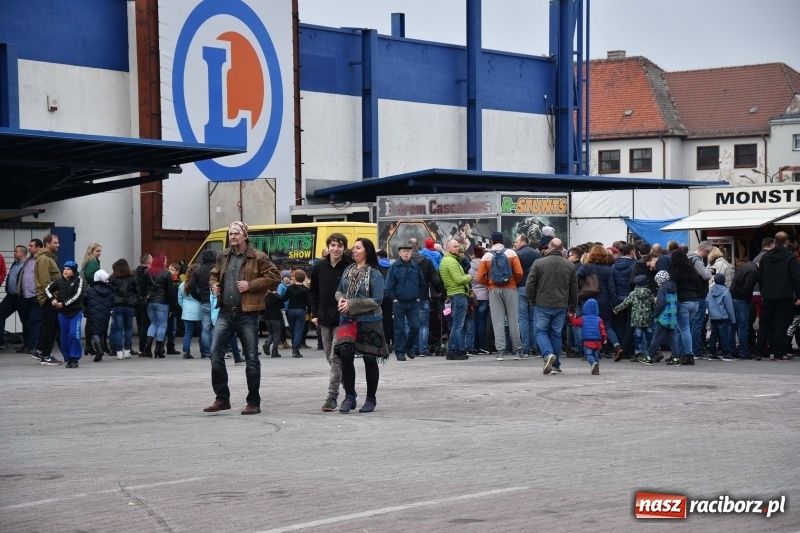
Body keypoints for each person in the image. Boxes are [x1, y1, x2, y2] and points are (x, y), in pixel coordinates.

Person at [204, 221, 280, 415]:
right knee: (215, 354)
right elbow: (213, 275)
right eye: (231, 234)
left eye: (237, 233)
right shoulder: (223, 256)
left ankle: (253, 402)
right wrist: (214, 285)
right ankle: (222, 399)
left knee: (251, 358)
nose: (233, 237)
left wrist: (251, 284)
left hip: (248, 314)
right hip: (225, 312)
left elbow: (275, 276)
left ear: (245, 236)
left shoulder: (258, 256)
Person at [333, 237, 389, 413]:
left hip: (369, 320)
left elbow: (378, 300)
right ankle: (349, 397)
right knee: (345, 353)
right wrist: (341, 299)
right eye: (354, 248)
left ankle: (371, 399)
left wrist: (352, 303)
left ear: (367, 251)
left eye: (358, 248)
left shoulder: (374, 273)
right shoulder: (348, 270)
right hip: (348, 319)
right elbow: (339, 290)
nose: (354, 250)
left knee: (370, 358)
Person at [310, 232, 352, 412]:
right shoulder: (319, 267)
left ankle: (332, 397)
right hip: (324, 318)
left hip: (343, 319)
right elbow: (313, 292)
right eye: (333, 245)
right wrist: (313, 313)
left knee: (336, 357)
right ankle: (350, 391)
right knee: (330, 357)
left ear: (344, 248)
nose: (336, 249)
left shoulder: (350, 267)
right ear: (328, 247)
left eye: (339, 246)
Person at [526, 238, 578, 375]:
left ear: (549, 247)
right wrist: (573, 306)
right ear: (562, 249)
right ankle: (555, 365)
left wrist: (531, 298)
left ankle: (548, 355)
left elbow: (530, 284)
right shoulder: (569, 265)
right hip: (561, 304)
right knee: (556, 334)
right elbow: (574, 288)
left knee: (541, 331)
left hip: (542, 302)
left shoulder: (538, 263)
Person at [478, 231, 524, 360]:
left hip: (494, 290)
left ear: (492, 241)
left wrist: (490, 284)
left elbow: (480, 277)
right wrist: (513, 282)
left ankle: (500, 352)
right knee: (513, 320)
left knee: (497, 321)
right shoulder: (511, 253)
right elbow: (519, 272)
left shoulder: (486, 256)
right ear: (503, 240)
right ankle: (518, 351)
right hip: (510, 288)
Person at [756, 232, 800, 361]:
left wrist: (764, 292)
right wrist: (798, 295)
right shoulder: (790, 258)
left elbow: (761, 276)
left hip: (768, 295)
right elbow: (796, 277)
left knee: (765, 322)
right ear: (786, 242)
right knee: (782, 324)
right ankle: (778, 352)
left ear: (774, 241)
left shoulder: (766, 257)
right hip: (784, 295)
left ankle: (759, 351)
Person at [577, 245, 622, 361]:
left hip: (588, 300)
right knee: (606, 326)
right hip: (604, 301)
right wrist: (615, 304)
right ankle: (617, 346)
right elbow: (612, 289)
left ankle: (588, 352)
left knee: (588, 326)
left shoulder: (586, 267)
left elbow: (576, 279)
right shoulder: (608, 269)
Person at [384, 243, 426, 361]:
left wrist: (418, 297)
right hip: (399, 303)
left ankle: (408, 347)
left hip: (413, 302)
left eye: (408, 251)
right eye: (403, 251)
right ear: (400, 253)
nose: (406, 253)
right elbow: (388, 285)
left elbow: (422, 284)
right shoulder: (394, 267)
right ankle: (400, 352)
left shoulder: (415, 266)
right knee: (399, 328)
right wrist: (394, 299)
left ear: (411, 253)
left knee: (416, 326)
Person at [44, 260, 84, 368]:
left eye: (68, 269)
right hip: (62, 313)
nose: (65, 271)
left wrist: (64, 304)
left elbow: (77, 295)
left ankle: (75, 358)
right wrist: (52, 299)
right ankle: (68, 358)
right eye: (64, 269)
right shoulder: (59, 281)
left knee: (74, 335)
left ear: (74, 271)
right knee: (64, 337)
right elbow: (47, 289)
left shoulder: (78, 280)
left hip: (75, 312)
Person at [408, 238, 443, 357]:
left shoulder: (404, 262)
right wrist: (438, 291)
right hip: (423, 296)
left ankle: (411, 348)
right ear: (419, 249)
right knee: (424, 324)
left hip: (408, 298)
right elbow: (435, 279)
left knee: (410, 324)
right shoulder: (427, 261)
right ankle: (423, 349)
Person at [440, 239, 473, 360]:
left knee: (457, 324)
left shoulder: (447, 260)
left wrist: (461, 254)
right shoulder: (451, 262)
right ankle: (454, 350)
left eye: (458, 246)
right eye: (455, 246)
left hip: (454, 293)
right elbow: (459, 279)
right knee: (458, 325)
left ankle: (457, 349)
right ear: (448, 248)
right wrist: (470, 276)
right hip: (458, 294)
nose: (458, 248)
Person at [34, 233, 63, 365]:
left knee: (51, 326)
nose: (58, 245)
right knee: (50, 327)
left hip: (51, 298)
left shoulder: (49, 258)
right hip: (49, 299)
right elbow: (45, 282)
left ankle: (40, 350)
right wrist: (52, 298)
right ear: (47, 244)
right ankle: (45, 356)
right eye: (55, 243)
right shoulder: (44, 259)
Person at [669, 249, 702, 366]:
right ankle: (677, 354)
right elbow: (699, 286)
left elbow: (672, 287)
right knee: (680, 329)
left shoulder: (674, 271)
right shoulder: (692, 270)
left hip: (682, 301)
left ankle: (688, 354)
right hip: (694, 302)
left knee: (684, 329)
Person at [613, 275, 654, 359]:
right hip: (648, 319)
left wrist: (616, 309)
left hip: (636, 319)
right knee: (649, 336)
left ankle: (637, 353)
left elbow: (625, 303)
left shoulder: (633, 294)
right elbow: (654, 304)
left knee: (637, 337)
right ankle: (651, 352)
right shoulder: (650, 293)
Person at [142, 252, 175, 358]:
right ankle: (158, 349)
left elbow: (143, 287)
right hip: (162, 302)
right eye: (165, 260)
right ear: (161, 261)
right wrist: (173, 305)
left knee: (153, 323)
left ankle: (147, 347)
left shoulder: (147, 271)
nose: (166, 261)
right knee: (162, 325)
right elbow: (171, 290)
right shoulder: (166, 273)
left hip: (150, 301)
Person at [514, 234, 541, 358]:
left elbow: (516, 271)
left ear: (523, 242)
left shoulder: (518, 255)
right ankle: (535, 348)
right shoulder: (537, 254)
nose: (515, 244)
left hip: (521, 287)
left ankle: (525, 348)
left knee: (523, 319)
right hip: (534, 288)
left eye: (516, 242)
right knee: (533, 319)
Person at [186, 250, 217, 359]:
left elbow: (190, 286)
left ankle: (206, 352)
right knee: (216, 327)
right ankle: (215, 350)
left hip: (204, 301)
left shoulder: (198, 271)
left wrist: (198, 297)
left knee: (205, 328)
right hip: (216, 300)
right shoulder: (217, 268)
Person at [646, 270, 680, 365]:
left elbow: (660, 304)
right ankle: (675, 357)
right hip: (672, 317)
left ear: (660, 280)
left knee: (657, 337)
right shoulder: (673, 288)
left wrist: (655, 314)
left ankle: (649, 356)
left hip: (663, 318)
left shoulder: (662, 289)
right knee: (672, 338)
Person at [729, 258, 759, 359]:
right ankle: (744, 351)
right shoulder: (754, 271)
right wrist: (748, 300)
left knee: (733, 326)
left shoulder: (745, 266)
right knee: (743, 326)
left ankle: (731, 350)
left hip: (733, 297)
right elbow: (747, 288)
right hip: (741, 300)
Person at [108, 258, 139, 360]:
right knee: (128, 328)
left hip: (117, 304)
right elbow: (137, 290)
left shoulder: (113, 278)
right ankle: (127, 350)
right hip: (130, 304)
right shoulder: (132, 277)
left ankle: (119, 351)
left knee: (118, 329)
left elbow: (109, 292)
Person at [567, 298, 607, 375]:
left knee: (588, 354)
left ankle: (593, 363)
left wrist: (571, 317)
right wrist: (604, 338)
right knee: (596, 355)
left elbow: (575, 323)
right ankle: (596, 367)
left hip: (587, 340)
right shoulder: (599, 319)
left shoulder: (583, 318)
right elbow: (603, 330)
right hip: (597, 341)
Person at [0, 245, 29, 350]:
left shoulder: (27, 265)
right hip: (10, 296)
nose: (14, 253)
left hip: (21, 297)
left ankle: (28, 345)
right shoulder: (14, 264)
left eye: (16, 251)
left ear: (22, 253)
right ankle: (0, 340)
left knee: (26, 321)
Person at [688, 241, 713, 357]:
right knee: (697, 323)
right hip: (699, 295)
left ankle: (691, 347)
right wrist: (710, 271)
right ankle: (696, 349)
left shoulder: (687, 257)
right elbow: (706, 275)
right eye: (707, 253)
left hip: (690, 294)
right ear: (705, 251)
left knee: (690, 323)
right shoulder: (697, 260)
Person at [83, 269, 114, 362]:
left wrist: (87, 306)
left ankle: (99, 349)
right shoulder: (109, 290)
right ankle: (100, 349)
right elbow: (112, 300)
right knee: (101, 331)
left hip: (92, 312)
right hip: (105, 313)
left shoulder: (90, 289)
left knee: (94, 332)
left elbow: (84, 298)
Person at [706, 272, 736, 360]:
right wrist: (733, 320)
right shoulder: (726, 293)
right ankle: (726, 353)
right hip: (723, 317)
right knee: (724, 336)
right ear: (724, 281)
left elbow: (707, 303)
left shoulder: (710, 292)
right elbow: (729, 307)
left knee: (713, 335)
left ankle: (712, 353)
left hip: (713, 317)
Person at [282, 269, 311, 358]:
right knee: (299, 330)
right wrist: (309, 311)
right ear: (304, 278)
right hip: (301, 310)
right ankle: (296, 349)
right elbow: (308, 303)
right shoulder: (306, 289)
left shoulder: (290, 288)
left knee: (293, 330)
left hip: (291, 310)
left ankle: (294, 348)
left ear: (294, 278)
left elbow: (284, 299)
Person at [468, 246, 490, 354]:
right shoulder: (485, 266)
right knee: (482, 322)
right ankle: (482, 346)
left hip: (473, 296)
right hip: (484, 296)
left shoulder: (469, 267)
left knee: (473, 321)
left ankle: (473, 345)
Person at [178, 265, 201, 359]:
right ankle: (204, 351)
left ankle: (186, 352)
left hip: (187, 312)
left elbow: (180, 299)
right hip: (199, 311)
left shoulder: (182, 285)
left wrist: (184, 307)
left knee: (187, 333)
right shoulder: (199, 284)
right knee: (202, 333)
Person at [134, 253, 151, 355]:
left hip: (137, 301)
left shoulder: (134, 272)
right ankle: (146, 347)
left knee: (140, 324)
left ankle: (141, 348)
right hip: (147, 300)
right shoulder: (149, 272)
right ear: (149, 261)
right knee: (146, 324)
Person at [165, 263, 183, 355]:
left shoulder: (179, 283)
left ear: (177, 272)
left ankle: (170, 346)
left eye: (172, 269)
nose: (169, 271)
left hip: (175, 308)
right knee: (165, 327)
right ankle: (161, 347)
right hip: (166, 306)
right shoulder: (165, 280)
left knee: (172, 328)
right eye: (169, 268)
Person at [263, 288, 284, 358]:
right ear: (277, 288)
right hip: (275, 317)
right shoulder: (278, 296)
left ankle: (267, 343)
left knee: (271, 332)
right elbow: (282, 305)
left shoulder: (266, 296)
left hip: (267, 317)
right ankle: (274, 350)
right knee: (277, 334)